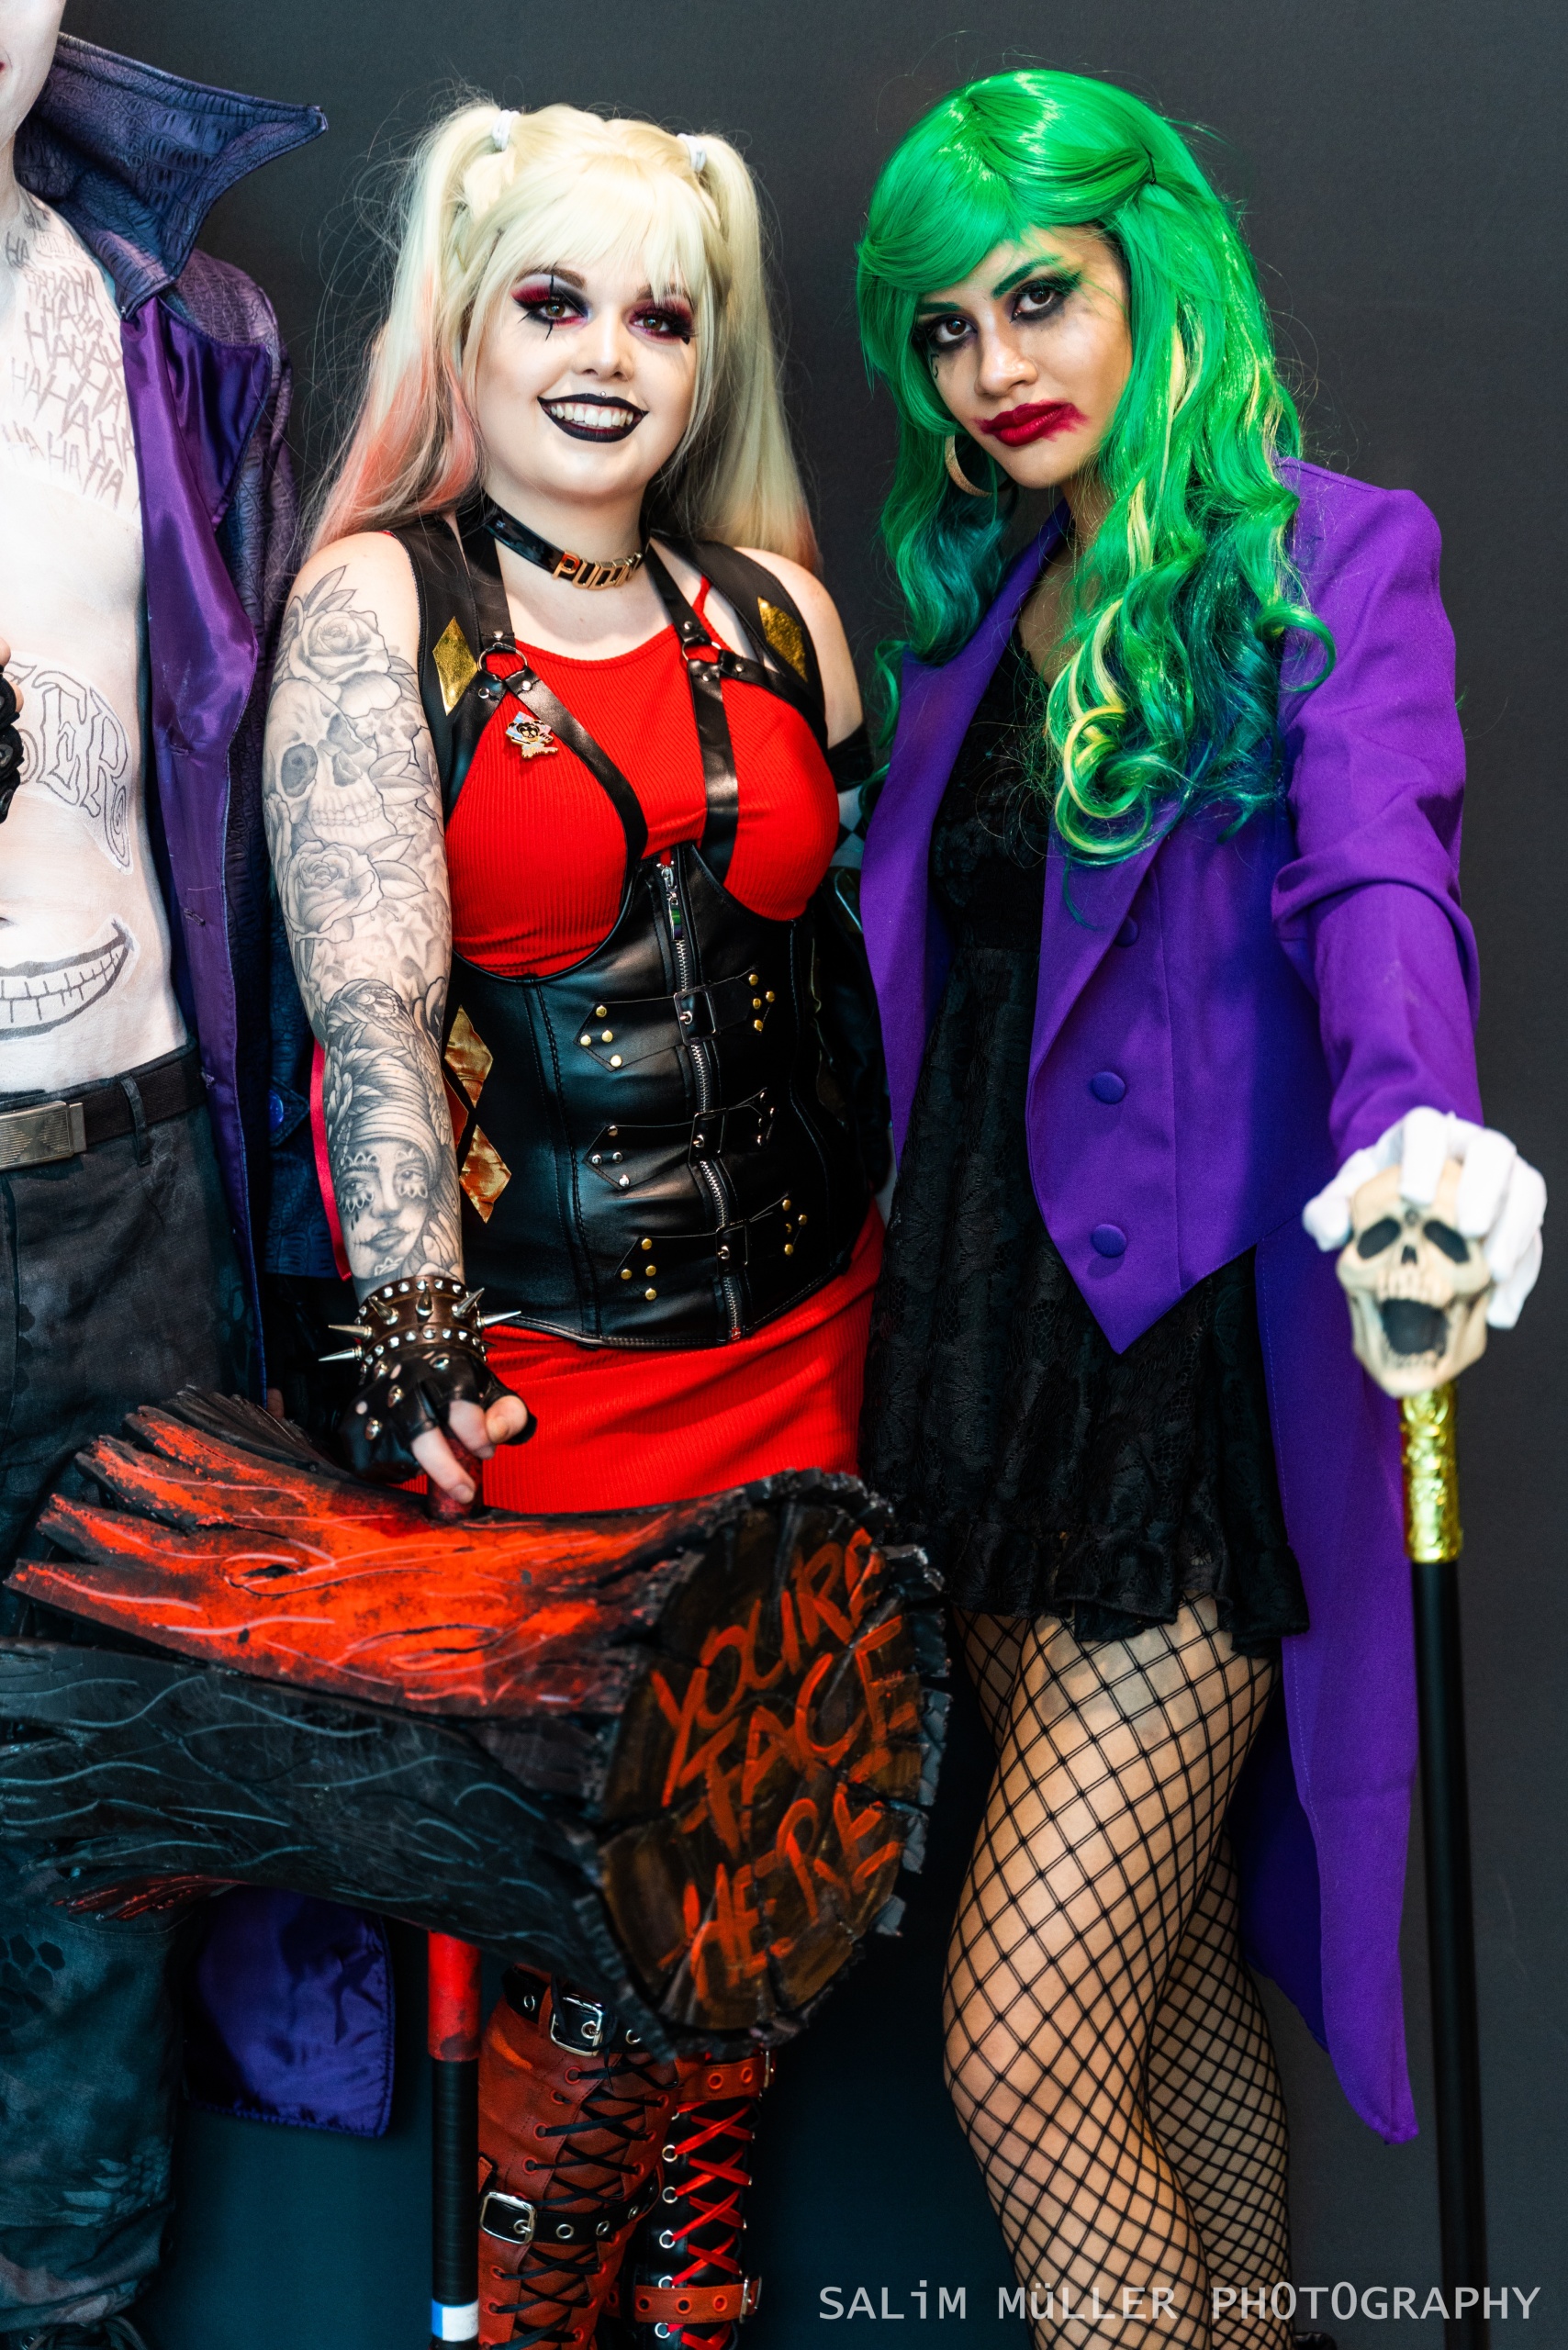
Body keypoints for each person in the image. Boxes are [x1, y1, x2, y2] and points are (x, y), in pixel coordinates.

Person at [853, 70, 1544, 2349]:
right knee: (1148, 1989)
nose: (993, 363)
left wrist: (1417, 1136)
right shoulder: (974, 615)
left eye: (1035, 294)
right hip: (972, 1366)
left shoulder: (1323, 557)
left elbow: (1376, 878)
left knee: (1020, 2043)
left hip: (1181, 1388)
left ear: (1153, 269)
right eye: (944, 329)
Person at [264, 98, 883, 2350]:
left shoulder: (776, 615)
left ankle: (694, 2300)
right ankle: (535, 2318)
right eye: (553, 301)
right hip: (549, 1392)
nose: (608, 355)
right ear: (469, 319)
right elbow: (367, 1006)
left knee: (761, 1874)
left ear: (710, 355)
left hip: (802, 1351)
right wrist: (410, 1325)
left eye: (660, 314)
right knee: (587, 1929)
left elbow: (856, 975)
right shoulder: (382, 606)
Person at [0, 17, 332, 2347]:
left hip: (125, 1191)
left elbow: (263, 783)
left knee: (102, 1823)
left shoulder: (181, 329)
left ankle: (69, 2307)